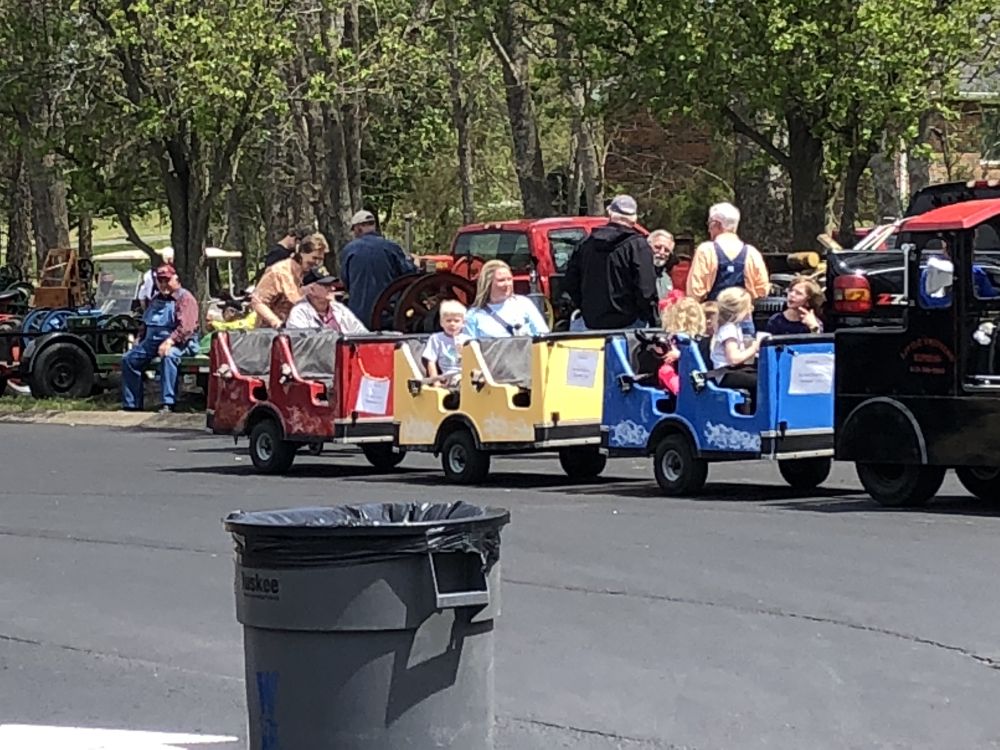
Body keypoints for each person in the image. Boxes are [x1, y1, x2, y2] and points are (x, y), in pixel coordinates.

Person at [564, 194, 658, 330]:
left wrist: (585, 307)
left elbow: (571, 282)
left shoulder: (586, 244)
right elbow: (646, 290)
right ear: (634, 219)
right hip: (629, 324)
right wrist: (650, 317)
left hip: (591, 324)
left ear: (610, 213)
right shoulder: (638, 246)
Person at [121, 264, 200, 413]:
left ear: (176, 279)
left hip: (181, 343)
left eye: (167, 280)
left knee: (168, 357)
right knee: (129, 359)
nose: (163, 284)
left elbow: (186, 328)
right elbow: (145, 323)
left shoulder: (185, 299)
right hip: (152, 342)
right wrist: (139, 339)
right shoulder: (155, 299)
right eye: (160, 280)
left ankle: (168, 403)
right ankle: (132, 405)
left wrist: (170, 341)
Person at [340, 210, 416, 329]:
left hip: (358, 316)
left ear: (358, 228)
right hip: (388, 313)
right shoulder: (391, 247)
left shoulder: (349, 250)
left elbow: (346, 281)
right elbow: (408, 274)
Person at [686, 202, 769, 303]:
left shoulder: (706, 251)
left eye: (709, 224)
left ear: (717, 224)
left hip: (712, 311)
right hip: (743, 311)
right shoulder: (753, 253)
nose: (708, 230)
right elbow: (762, 291)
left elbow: (694, 292)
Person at [251, 233, 329, 327]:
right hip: (270, 331)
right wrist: (276, 323)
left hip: (294, 329)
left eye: (320, 259)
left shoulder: (304, 274)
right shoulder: (279, 272)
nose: (316, 263)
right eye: (314, 258)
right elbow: (257, 301)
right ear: (301, 253)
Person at [463, 259, 550, 338]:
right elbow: (468, 346)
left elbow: (543, 334)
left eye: (509, 279)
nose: (507, 284)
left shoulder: (524, 304)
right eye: (501, 280)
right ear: (488, 283)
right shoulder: (474, 315)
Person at [709, 287, 763, 391]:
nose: (751, 308)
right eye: (748, 306)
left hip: (730, 371)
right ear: (739, 310)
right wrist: (754, 347)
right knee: (762, 381)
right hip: (725, 374)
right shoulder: (729, 329)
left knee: (763, 373)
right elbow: (733, 359)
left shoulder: (733, 327)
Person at [285, 275, 368, 333]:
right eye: (326, 286)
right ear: (311, 290)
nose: (332, 288)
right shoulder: (299, 313)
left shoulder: (339, 308)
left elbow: (361, 333)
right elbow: (302, 345)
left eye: (331, 285)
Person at [657, 297, 706, 395]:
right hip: (700, 378)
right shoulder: (703, 340)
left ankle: (680, 391)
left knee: (665, 370)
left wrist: (680, 355)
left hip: (687, 380)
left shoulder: (674, 339)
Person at [422, 299, 470, 383]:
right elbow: (431, 361)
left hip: (467, 376)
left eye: (456, 321)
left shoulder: (467, 339)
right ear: (441, 323)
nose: (452, 324)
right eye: (448, 320)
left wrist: (463, 352)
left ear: (463, 323)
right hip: (448, 378)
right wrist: (435, 381)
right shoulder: (436, 338)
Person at [137, 246, 174, 310]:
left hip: (154, 305)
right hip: (164, 304)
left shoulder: (148, 274)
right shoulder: (173, 274)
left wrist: (145, 311)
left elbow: (142, 295)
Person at [648, 229, 678, 300]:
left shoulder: (667, 279)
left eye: (667, 250)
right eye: (657, 247)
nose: (662, 252)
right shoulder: (637, 273)